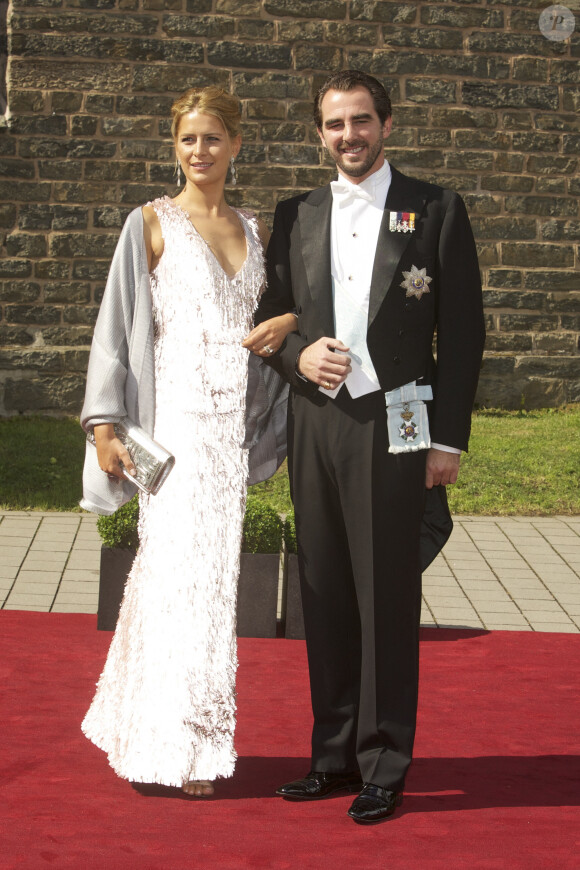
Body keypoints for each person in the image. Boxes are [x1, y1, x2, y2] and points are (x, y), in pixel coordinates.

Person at [251, 70, 485, 823]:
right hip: (319, 422)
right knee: (323, 590)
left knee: (386, 592)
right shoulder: (295, 213)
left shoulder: (438, 208)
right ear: (318, 133)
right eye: (333, 124)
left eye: (360, 121)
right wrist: (297, 358)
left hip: (399, 423)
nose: (347, 135)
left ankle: (385, 760)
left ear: (386, 123)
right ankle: (333, 754)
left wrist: (448, 439)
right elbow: (269, 319)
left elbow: (466, 333)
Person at [80, 86, 295, 797]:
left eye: (212, 138)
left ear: (237, 144)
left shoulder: (258, 231)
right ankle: (171, 746)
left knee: (211, 589)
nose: (198, 152)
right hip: (169, 437)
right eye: (186, 140)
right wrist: (105, 424)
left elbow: (275, 322)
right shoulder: (148, 223)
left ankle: (157, 727)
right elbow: (114, 331)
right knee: (175, 581)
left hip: (228, 440)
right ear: (174, 147)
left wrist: (289, 328)